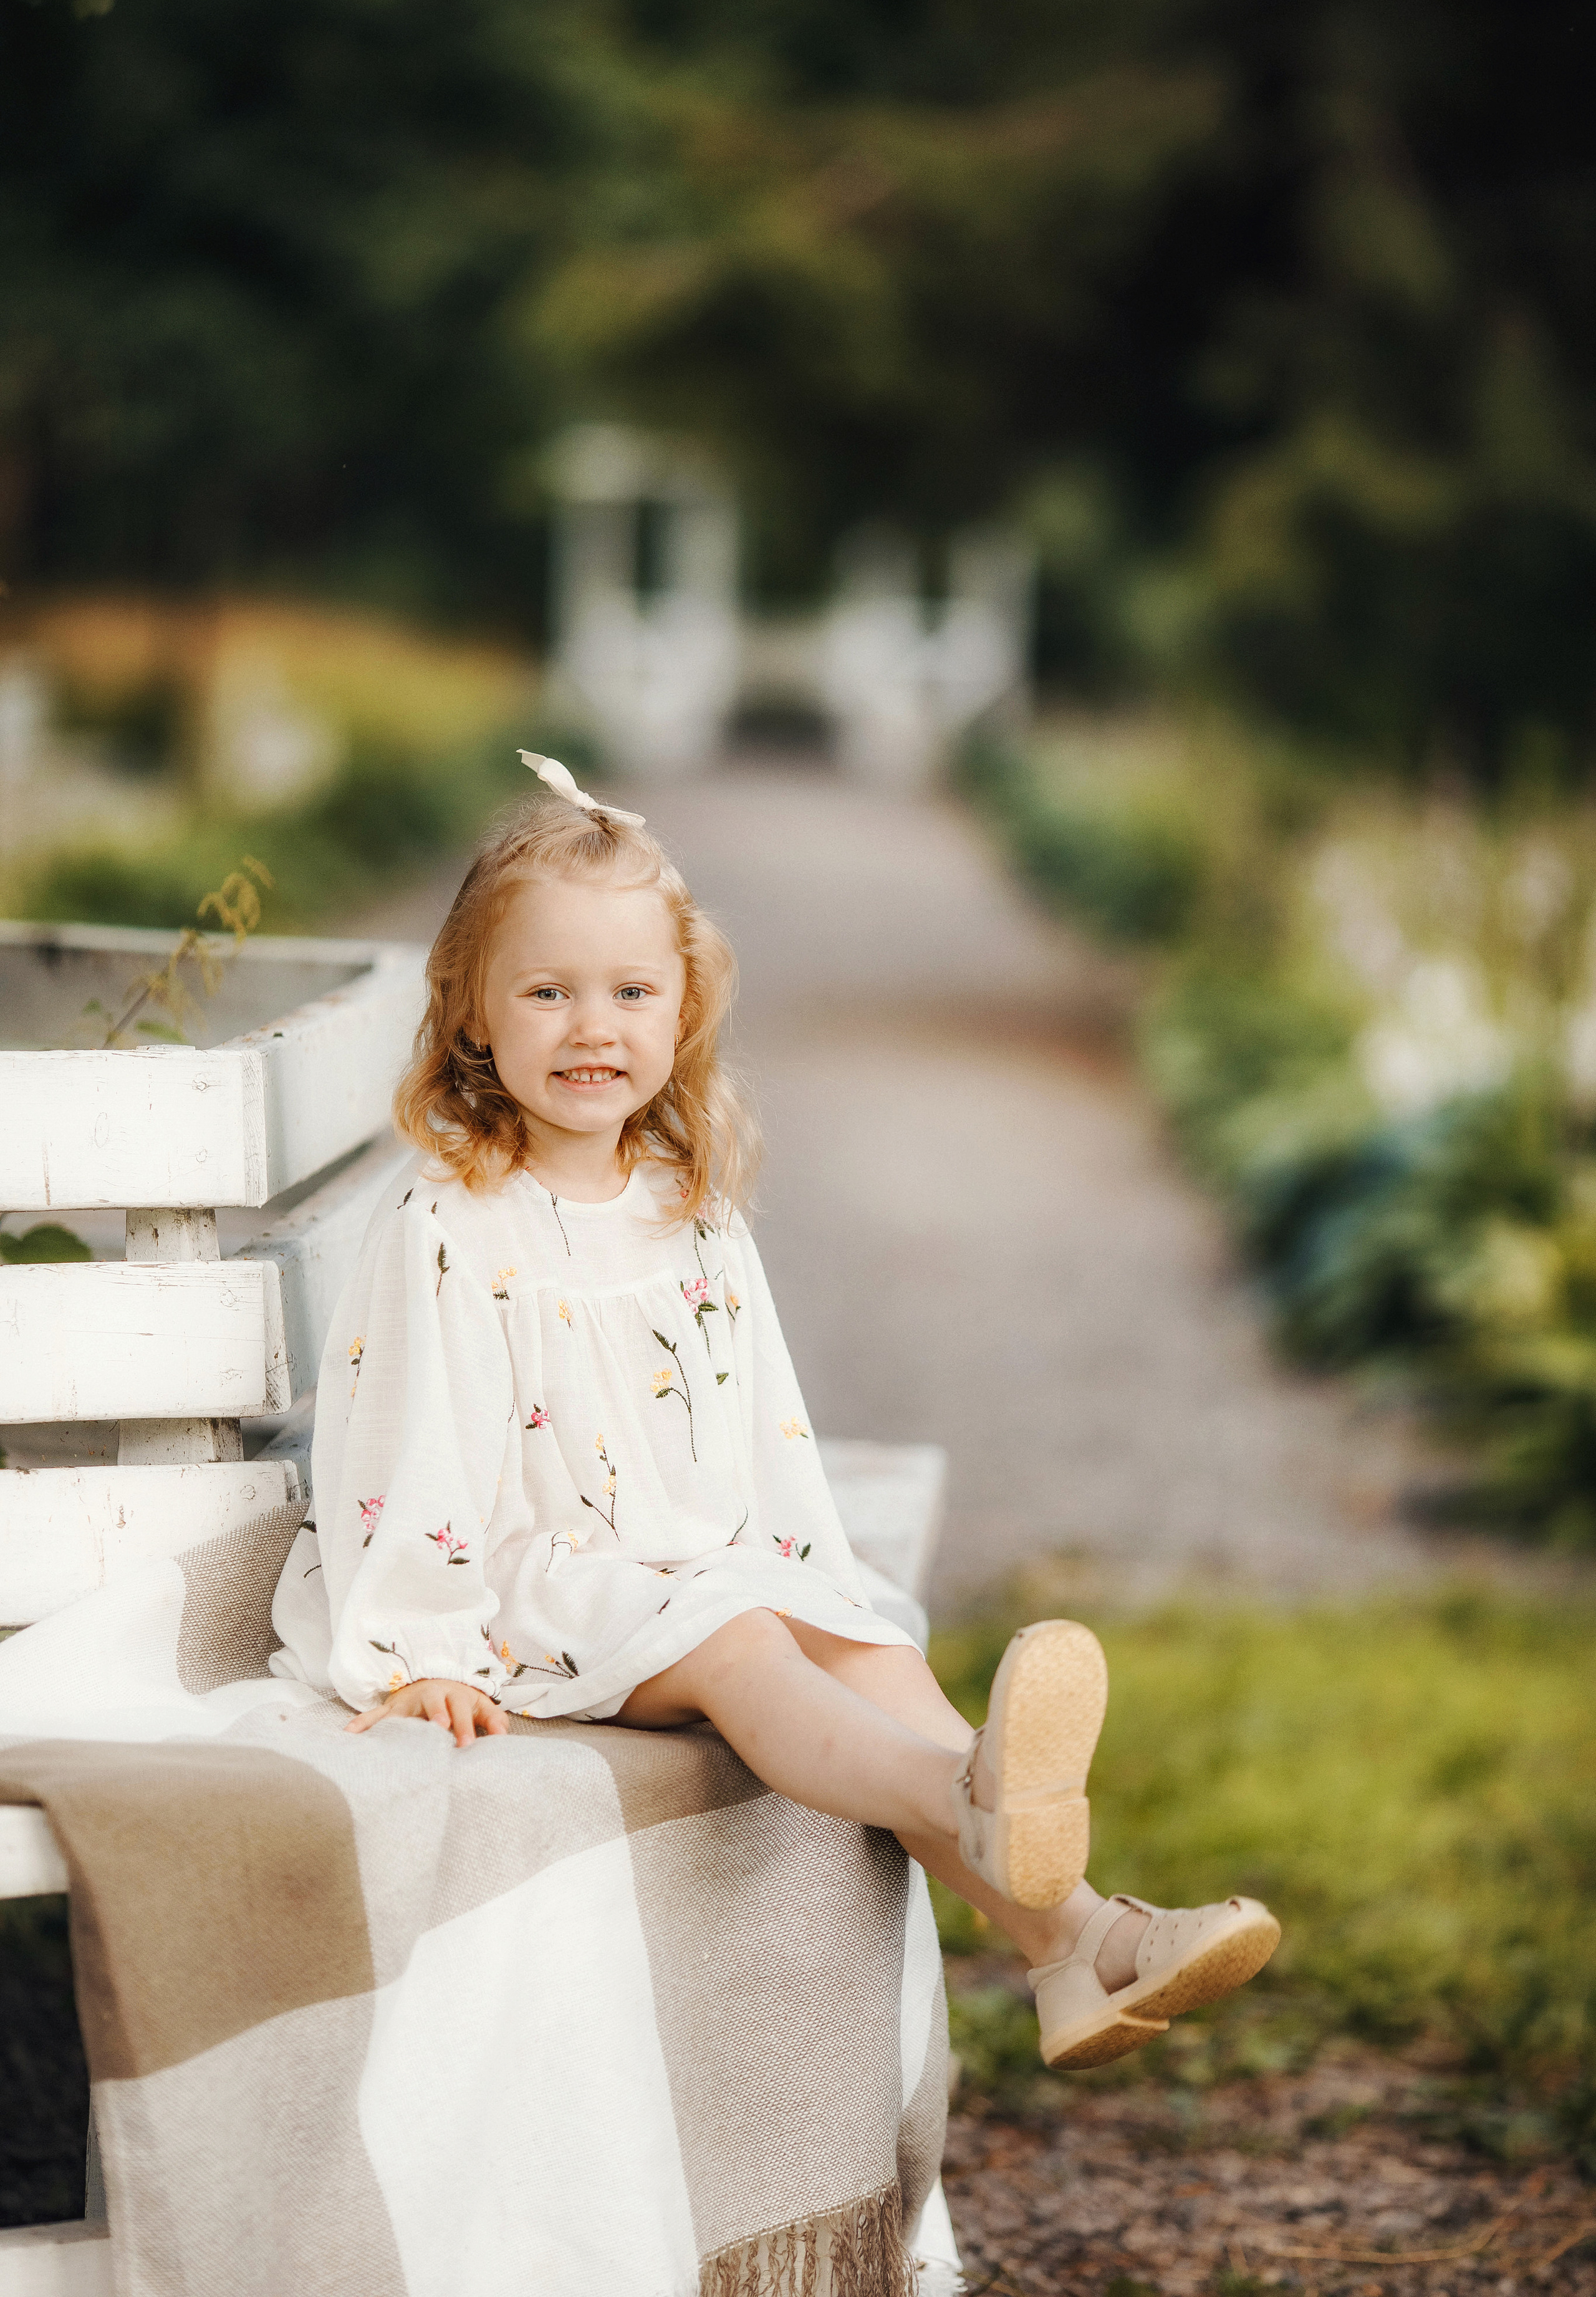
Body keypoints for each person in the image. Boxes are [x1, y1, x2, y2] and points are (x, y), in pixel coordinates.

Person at [269, 753, 1279, 2070]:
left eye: (631, 991)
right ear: (471, 1012)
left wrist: (812, 1574)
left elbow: (755, 1422)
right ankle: (975, 1804)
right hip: (533, 1586)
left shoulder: (685, 1199)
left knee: (860, 1647)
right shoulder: (455, 1218)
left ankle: (1074, 1946)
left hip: (681, 1559)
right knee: (746, 1640)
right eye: (546, 991)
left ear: (682, 1004)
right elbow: (414, 1441)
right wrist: (425, 1653)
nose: (592, 1027)